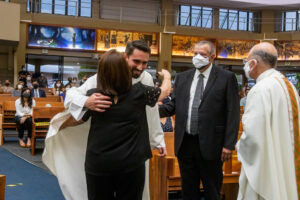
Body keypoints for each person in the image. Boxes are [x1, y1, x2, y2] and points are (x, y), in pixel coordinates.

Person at [42, 40, 167, 200]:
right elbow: (72, 95)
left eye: (145, 63)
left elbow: (151, 111)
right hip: (107, 153)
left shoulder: (145, 78)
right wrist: (86, 102)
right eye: (136, 61)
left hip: (133, 150)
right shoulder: (101, 78)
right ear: (125, 57)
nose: (141, 68)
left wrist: (157, 139)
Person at [159, 41, 240, 200]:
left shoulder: (226, 78)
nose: (197, 57)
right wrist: (151, 109)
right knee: (189, 190)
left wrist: (229, 144)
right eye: (195, 54)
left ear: (212, 57)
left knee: (212, 189)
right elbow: (174, 105)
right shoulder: (183, 77)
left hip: (212, 143)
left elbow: (233, 112)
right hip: (185, 142)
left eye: (202, 55)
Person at [237, 42, 300, 200]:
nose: (246, 65)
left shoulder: (261, 89)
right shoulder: (288, 86)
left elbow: (253, 136)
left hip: (267, 166)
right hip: (287, 161)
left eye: (247, 61)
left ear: (253, 63)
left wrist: (239, 146)